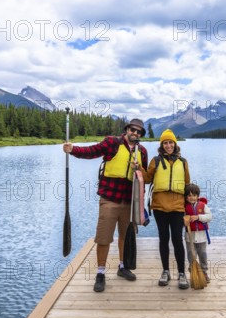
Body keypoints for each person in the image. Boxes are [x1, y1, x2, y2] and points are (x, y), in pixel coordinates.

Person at [63, 118, 148, 293]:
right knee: (103, 238)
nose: (135, 133)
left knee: (125, 237)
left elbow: (143, 178)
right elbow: (92, 151)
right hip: (109, 199)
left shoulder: (143, 152)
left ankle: (123, 266)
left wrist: (139, 171)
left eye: (139, 132)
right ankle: (100, 273)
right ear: (127, 130)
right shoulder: (112, 143)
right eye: (133, 130)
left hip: (130, 202)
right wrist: (73, 150)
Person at [140, 129, 190, 289]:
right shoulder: (155, 161)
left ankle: (182, 274)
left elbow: (187, 185)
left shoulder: (183, 162)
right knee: (163, 239)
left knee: (177, 239)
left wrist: (190, 209)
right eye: (165, 143)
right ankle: (166, 271)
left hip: (177, 206)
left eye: (171, 142)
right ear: (162, 145)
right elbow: (147, 179)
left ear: (175, 144)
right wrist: (138, 168)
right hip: (159, 206)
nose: (168, 145)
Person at [184, 183, 212, 283]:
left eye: (194, 195)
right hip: (190, 237)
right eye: (189, 195)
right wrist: (185, 221)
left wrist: (198, 217)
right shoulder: (184, 208)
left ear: (197, 196)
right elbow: (181, 221)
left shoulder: (203, 205)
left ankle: (204, 271)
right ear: (186, 196)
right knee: (191, 254)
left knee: (203, 254)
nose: (192, 198)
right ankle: (193, 271)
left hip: (202, 237)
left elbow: (209, 217)